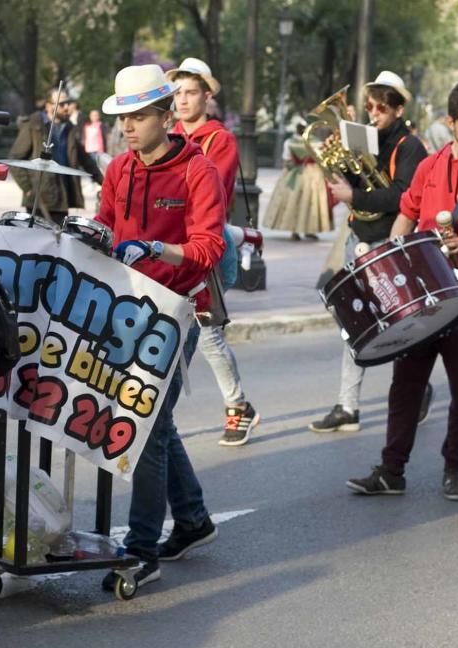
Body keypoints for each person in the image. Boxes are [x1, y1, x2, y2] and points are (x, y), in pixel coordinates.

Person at [346, 81, 458, 501]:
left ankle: (453, 467)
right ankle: (392, 470)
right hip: (422, 286)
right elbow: (406, 213)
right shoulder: (431, 164)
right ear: (450, 123)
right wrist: (389, 260)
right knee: (405, 383)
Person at [95, 64, 225, 588]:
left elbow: (209, 247)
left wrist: (156, 249)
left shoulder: (197, 170)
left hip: (177, 311)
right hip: (125, 308)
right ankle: (191, 519)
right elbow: (105, 222)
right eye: (122, 116)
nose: (128, 126)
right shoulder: (118, 169)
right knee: (158, 421)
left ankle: (141, 548)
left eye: (139, 116)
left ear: (166, 116)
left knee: (144, 425)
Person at [306, 71, 430, 434]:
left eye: (380, 107)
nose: (373, 113)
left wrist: (354, 196)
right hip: (358, 236)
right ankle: (348, 406)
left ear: (398, 108)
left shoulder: (411, 147)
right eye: (370, 106)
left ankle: (417, 387)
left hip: (387, 242)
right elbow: (353, 182)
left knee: (395, 322)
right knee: (352, 321)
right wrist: (338, 163)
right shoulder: (364, 138)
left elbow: (403, 197)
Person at [166, 56, 259, 446]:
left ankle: (239, 407)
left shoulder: (219, 139)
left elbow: (208, 193)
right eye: (177, 93)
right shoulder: (169, 133)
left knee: (207, 334)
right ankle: (157, 413)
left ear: (207, 96)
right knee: (166, 329)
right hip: (170, 245)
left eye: (190, 93)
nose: (183, 100)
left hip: (204, 246)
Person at [8, 87, 102, 223]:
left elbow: (85, 159)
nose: (67, 107)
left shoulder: (68, 128)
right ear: (48, 106)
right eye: (62, 104)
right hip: (39, 199)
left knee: (58, 241)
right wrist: (28, 188)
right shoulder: (34, 125)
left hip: (62, 197)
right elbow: (15, 157)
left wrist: (103, 181)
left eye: (68, 103)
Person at [263, 123, 332, 240]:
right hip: (313, 174)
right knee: (311, 202)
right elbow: (322, 159)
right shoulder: (317, 143)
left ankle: (294, 231)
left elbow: (286, 159)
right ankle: (310, 230)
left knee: (293, 203)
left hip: (293, 172)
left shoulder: (289, 142)